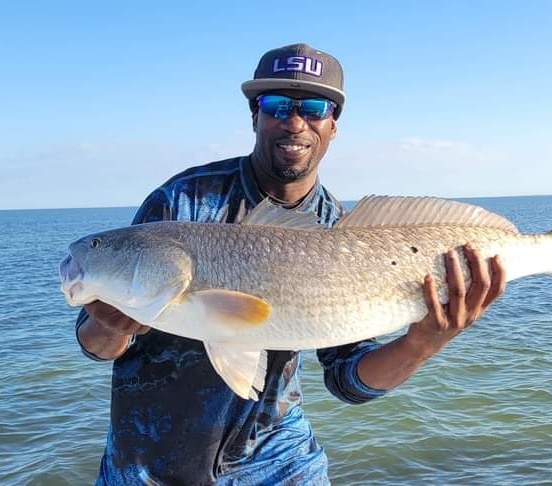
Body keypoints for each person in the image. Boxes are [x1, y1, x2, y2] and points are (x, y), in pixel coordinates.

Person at [75, 43, 506, 485]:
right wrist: (111, 326)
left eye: (314, 107)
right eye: (277, 105)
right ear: (255, 116)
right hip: (149, 464)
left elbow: (348, 379)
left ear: (333, 124)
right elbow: (96, 345)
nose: (294, 122)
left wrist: (423, 343)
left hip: (278, 462)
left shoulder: (342, 232)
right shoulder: (180, 204)